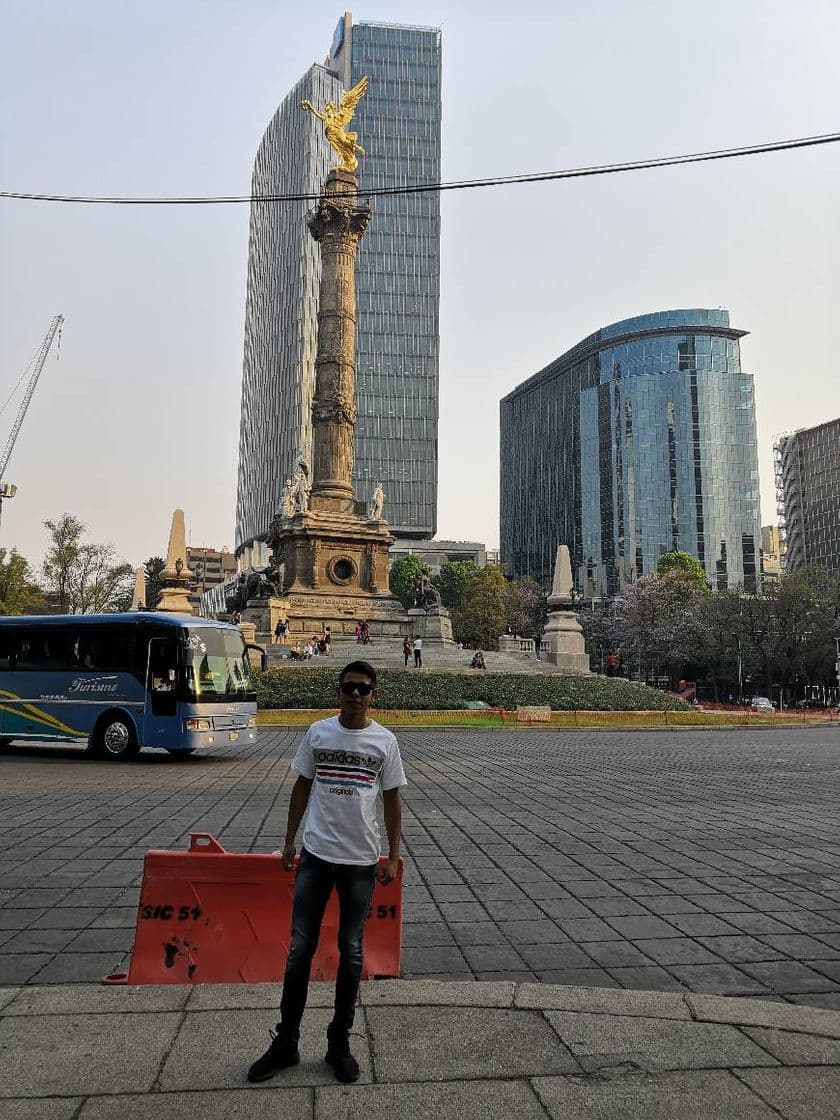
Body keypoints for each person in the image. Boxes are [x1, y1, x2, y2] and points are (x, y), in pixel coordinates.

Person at [247, 661, 406, 1085]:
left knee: (351, 951)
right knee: (300, 950)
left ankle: (339, 1043)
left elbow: (392, 800)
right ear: (339, 691)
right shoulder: (317, 732)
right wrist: (288, 840)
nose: (355, 694)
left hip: (360, 861)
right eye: (349, 687)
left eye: (363, 688)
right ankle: (286, 1043)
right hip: (316, 856)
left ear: (373, 694)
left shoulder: (385, 742)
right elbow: (301, 785)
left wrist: (392, 855)